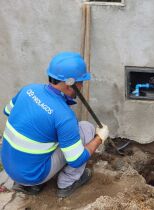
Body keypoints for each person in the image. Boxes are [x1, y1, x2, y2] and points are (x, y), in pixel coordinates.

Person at [1, 52, 109, 198]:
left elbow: (7, 111)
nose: (82, 85)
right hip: (33, 175)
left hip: (10, 167)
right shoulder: (64, 116)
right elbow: (76, 159)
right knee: (86, 129)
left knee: (47, 136)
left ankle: (30, 186)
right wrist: (100, 138)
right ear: (71, 83)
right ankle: (67, 183)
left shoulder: (29, 89)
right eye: (81, 81)